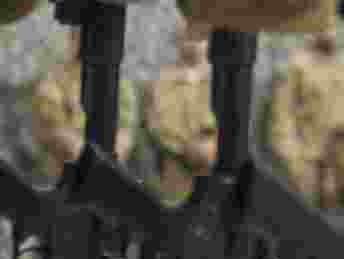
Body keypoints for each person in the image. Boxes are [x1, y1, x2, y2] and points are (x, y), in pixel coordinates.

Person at [266, 23, 344, 210]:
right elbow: (282, 121)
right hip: (309, 160)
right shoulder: (295, 67)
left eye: (334, 24)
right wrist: (295, 162)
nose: (329, 29)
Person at [29, 26, 138, 179]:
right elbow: (54, 131)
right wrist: (89, 159)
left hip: (106, 173)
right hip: (64, 173)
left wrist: (109, 160)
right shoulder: (52, 80)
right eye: (80, 38)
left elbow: (125, 132)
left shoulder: (120, 82)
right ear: (71, 40)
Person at [142, 17, 217, 204]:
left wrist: (212, 146)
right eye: (188, 37)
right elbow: (155, 124)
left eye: (200, 37)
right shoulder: (160, 82)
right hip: (176, 164)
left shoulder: (222, 79)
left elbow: (234, 122)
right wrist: (183, 148)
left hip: (217, 164)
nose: (194, 44)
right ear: (177, 41)